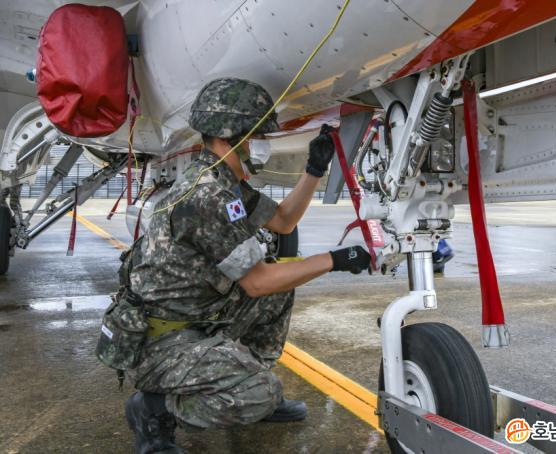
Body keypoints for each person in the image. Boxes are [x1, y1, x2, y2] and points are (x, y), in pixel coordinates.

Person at [123, 78, 371, 453]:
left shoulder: (225, 181)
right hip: (162, 343)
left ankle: (244, 377)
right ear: (229, 138)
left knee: (279, 292)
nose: (261, 143)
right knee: (260, 392)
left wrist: (314, 169)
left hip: (199, 316)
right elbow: (257, 281)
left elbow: (283, 220)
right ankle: (156, 408)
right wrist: (335, 259)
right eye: (256, 135)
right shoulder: (207, 193)